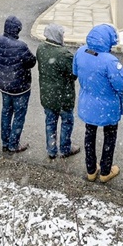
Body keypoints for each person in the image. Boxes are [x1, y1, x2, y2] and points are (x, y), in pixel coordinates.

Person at [74, 23, 123, 184]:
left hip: (87, 104)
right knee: (110, 137)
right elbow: (122, 84)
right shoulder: (110, 61)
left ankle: (91, 170)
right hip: (108, 107)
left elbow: (76, 72)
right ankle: (106, 171)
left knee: (89, 135)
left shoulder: (81, 51)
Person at [36, 24, 80, 160]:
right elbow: (73, 75)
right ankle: (65, 148)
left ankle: (51, 149)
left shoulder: (40, 48)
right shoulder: (64, 54)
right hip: (63, 97)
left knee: (50, 122)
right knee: (66, 122)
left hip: (47, 95)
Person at [0, 15, 36, 153]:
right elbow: (31, 62)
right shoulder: (21, 46)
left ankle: (5, 142)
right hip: (20, 87)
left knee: (6, 112)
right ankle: (13, 144)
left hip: (4, 85)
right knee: (19, 115)